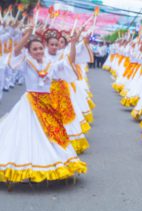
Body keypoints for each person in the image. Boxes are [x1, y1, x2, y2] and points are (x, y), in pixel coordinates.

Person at [0, 25, 87, 186]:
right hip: (30, 103)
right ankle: (28, 165)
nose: (39, 51)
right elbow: (15, 54)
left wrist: (73, 43)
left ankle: (53, 162)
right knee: (27, 135)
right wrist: (26, 36)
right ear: (30, 51)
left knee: (52, 134)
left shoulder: (51, 65)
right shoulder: (26, 62)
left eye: (40, 48)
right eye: (35, 49)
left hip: (47, 104)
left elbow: (69, 62)